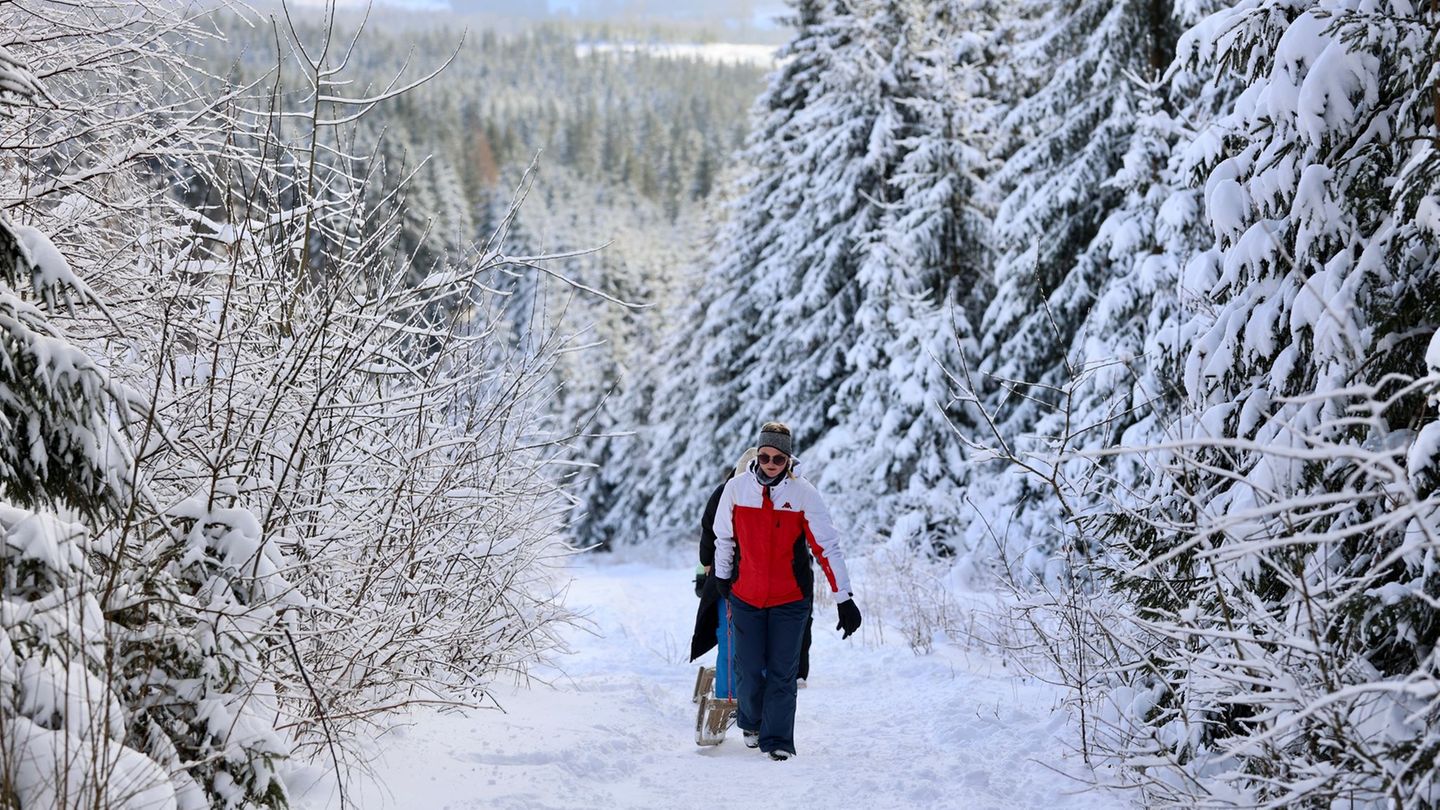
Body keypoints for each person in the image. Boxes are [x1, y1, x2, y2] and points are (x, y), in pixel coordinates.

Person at [712, 422, 862, 761]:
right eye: (764, 456)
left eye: (778, 459)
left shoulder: (803, 494)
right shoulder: (736, 489)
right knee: (748, 668)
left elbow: (827, 547)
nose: (770, 464)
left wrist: (844, 598)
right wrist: (723, 578)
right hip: (746, 596)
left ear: (789, 460)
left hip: (790, 600)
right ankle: (751, 723)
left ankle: (778, 739)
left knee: (783, 671)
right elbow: (724, 537)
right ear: (757, 455)